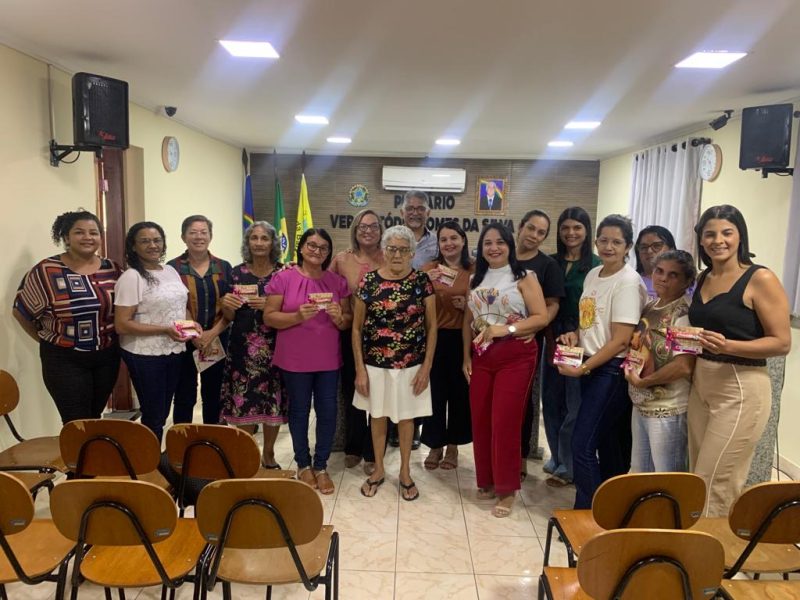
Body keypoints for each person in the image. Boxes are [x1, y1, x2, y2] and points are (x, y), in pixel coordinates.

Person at [688, 205, 790, 517]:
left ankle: (714, 546)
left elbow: (782, 342)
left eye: (727, 233)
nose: (718, 240)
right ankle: (698, 541)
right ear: (701, 240)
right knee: (696, 478)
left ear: (740, 236)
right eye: (710, 234)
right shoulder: (704, 277)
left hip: (740, 387)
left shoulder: (760, 278)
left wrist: (729, 345)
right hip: (702, 384)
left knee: (716, 481)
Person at [557, 214, 647, 509]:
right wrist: (575, 335)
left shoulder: (628, 282)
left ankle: (588, 512)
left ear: (628, 246)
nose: (609, 247)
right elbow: (591, 320)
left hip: (610, 371)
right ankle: (612, 509)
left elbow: (621, 340)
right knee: (607, 443)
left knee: (582, 444)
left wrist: (584, 367)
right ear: (596, 242)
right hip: (591, 364)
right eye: (604, 240)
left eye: (616, 242)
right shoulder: (594, 274)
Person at [463, 224, 549, 518]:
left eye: (500, 242)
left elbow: (540, 317)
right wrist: (466, 357)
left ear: (510, 245)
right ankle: (487, 480)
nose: (494, 248)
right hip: (481, 356)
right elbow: (468, 320)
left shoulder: (524, 276)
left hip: (515, 355)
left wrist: (508, 329)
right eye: (487, 243)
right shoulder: (475, 278)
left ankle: (507, 488)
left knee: (505, 421)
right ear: (481, 248)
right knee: (481, 419)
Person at [264, 228, 351, 495]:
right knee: (299, 411)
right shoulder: (283, 278)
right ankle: (303, 464)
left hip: (328, 359)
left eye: (323, 247)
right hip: (294, 359)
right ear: (301, 248)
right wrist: (297, 317)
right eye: (312, 245)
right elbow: (269, 316)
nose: (317, 251)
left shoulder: (337, 282)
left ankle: (321, 466)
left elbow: (347, 321)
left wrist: (339, 317)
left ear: (329, 252)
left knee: (327, 412)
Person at [13, 210, 122, 424]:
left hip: (106, 356)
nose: (88, 237)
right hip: (64, 358)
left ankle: (92, 448)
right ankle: (76, 449)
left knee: (94, 417)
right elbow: (21, 312)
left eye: (94, 232)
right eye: (79, 232)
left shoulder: (112, 269)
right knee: (75, 421)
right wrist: (47, 341)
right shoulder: (46, 271)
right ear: (66, 237)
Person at [353, 225, 437, 501]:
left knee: (406, 418)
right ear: (384, 251)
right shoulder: (369, 281)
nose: (397, 255)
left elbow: (432, 327)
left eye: (403, 249)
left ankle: (404, 472)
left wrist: (426, 367)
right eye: (392, 249)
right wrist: (360, 369)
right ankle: (378, 469)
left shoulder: (422, 281)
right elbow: (357, 328)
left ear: (412, 252)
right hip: (375, 364)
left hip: (411, 365)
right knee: (377, 417)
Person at [114, 222, 199, 442]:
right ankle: (148, 460)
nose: (152, 245)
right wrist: (164, 329)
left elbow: (180, 306)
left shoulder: (169, 270)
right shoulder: (132, 277)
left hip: (175, 350)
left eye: (157, 240)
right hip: (145, 355)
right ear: (133, 246)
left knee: (171, 407)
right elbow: (122, 324)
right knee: (155, 415)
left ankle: (169, 456)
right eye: (145, 241)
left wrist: (191, 324)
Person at [219, 221, 287, 468]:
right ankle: (247, 455)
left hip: (276, 347)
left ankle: (268, 454)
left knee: (272, 401)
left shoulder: (284, 273)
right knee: (244, 401)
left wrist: (269, 304)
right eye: (254, 238)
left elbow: (290, 308)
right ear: (247, 242)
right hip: (242, 349)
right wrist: (227, 304)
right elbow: (228, 316)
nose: (259, 243)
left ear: (273, 243)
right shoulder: (235, 273)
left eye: (264, 238)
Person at [540, 207, 600, 487]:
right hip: (551, 334)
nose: (571, 233)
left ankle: (569, 465)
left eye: (577, 227)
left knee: (574, 405)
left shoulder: (596, 265)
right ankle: (556, 457)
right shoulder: (550, 262)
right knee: (551, 401)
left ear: (586, 230)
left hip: (578, 337)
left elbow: (594, 306)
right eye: (565, 227)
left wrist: (576, 332)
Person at [624, 250, 697, 472]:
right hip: (641, 404)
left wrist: (645, 382)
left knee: (667, 476)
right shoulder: (650, 305)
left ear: (687, 281)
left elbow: (684, 366)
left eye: (673, 275)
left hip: (668, 409)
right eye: (659, 271)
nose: (663, 278)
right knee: (639, 473)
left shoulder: (685, 313)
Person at [330, 209, 384, 474]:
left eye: (373, 226)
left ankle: (374, 450)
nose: (368, 231)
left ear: (381, 231)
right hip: (351, 332)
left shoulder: (389, 257)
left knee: (379, 392)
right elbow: (323, 283)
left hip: (384, 336)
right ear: (355, 230)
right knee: (353, 389)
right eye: (363, 226)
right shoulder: (342, 259)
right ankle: (354, 445)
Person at [168, 215, 232, 425]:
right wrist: (194, 334)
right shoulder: (172, 268)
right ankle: (182, 441)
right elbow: (176, 305)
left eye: (203, 232)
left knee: (215, 396)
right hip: (184, 341)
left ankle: (214, 440)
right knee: (184, 396)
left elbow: (230, 306)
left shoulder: (223, 267)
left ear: (210, 236)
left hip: (217, 339)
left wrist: (211, 334)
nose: (198, 237)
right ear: (183, 237)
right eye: (193, 233)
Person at [421, 221, 475, 470]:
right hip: (433, 337)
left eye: (454, 238)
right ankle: (435, 445)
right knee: (434, 393)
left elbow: (485, 304)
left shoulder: (474, 269)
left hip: (462, 338)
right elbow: (413, 301)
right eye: (443, 239)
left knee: (459, 394)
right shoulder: (429, 269)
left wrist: (468, 306)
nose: (449, 243)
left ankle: (453, 445)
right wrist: (424, 282)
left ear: (463, 240)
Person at [515, 210, 565, 480]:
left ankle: (521, 456)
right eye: (531, 228)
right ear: (520, 227)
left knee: (524, 403)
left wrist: (534, 325)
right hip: (496, 341)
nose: (534, 235)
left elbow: (553, 304)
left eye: (541, 232)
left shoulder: (547, 266)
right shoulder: (502, 258)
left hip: (527, 342)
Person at [397, 190, 437, 449]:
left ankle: (413, 427)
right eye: (410, 208)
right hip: (393, 319)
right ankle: (394, 425)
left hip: (425, 318)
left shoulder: (438, 243)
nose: (415, 212)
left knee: (418, 374)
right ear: (402, 212)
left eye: (420, 208)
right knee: (394, 374)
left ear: (428, 212)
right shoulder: (391, 238)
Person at [634, 225, 677, 299]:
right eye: (644, 247)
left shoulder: (685, 282)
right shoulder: (631, 282)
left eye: (657, 246)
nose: (649, 251)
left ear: (671, 250)